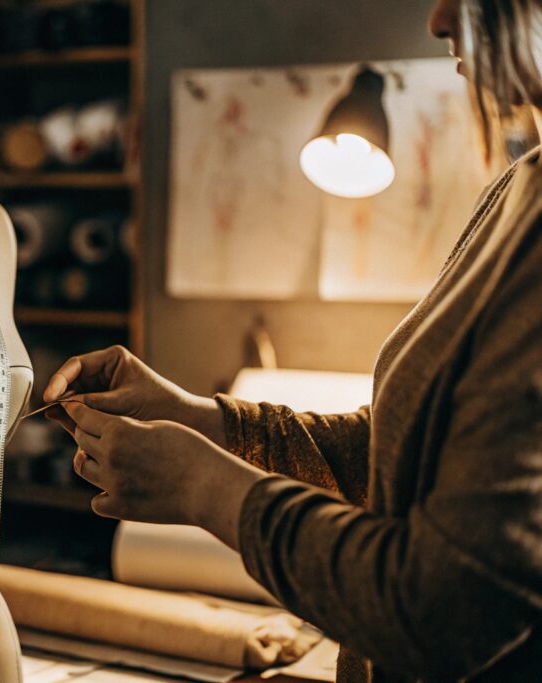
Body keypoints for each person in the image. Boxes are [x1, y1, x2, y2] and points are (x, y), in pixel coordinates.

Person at [43, 1, 542, 681]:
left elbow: (446, 609)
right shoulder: (521, 185)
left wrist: (204, 486)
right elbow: (407, 452)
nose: (439, 20)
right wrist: (203, 421)